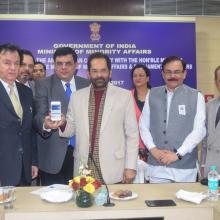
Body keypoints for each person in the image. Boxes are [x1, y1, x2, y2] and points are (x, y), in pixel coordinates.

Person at [44, 52, 139, 184]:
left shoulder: (124, 96)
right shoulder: (77, 97)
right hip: (83, 168)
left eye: (103, 71)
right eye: (94, 71)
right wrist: (63, 123)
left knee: (113, 204)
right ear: (88, 73)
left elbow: (132, 134)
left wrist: (130, 167)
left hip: (113, 168)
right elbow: (70, 130)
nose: (99, 75)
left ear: (110, 72)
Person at [139, 55, 206, 183]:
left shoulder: (196, 96)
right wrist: (153, 150)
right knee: (157, 201)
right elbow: (143, 125)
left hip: (184, 168)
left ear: (184, 73)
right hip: (156, 166)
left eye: (177, 72)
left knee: (184, 203)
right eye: (168, 72)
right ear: (163, 74)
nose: (172, 76)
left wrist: (177, 154)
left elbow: (199, 131)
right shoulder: (152, 94)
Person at [34, 47, 90, 186]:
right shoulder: (43, 84)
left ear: (76, 65)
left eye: (68, 63)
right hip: (53, 155)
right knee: (54, 202)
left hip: (82, 154)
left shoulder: (87, 85)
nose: (63, 67)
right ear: (54, 65)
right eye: (59, 63)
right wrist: (45, 124)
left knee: (82, 199)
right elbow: (39, 115)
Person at [0, 43, 38, 186]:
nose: (13, 67)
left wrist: (33, 160)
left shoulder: (26, 92)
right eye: (7, 63)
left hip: (24, 168)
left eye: (17, 63)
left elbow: (29, 131)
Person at [130, 64, 151, 183]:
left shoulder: (156, 96)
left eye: (141, 75)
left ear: (147, 78)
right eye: (135, 75)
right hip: (134, 150)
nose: (138, 78)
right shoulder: (127, 96)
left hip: (153, 150)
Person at [201, 65, 220, 178]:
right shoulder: (209, 105)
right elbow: (205, 139)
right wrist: (203, 164)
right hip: (211, 168)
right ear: (216, 83)